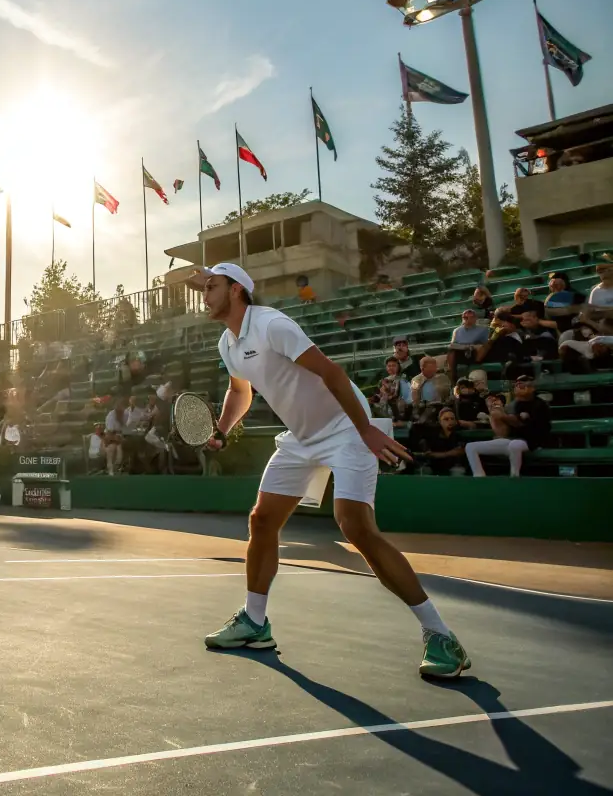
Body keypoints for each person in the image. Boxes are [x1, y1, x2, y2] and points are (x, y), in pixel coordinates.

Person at [189, 262, 470, 679]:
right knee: (262, 520)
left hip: (345, 426)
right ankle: (254, 621)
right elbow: (238, 390)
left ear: (237, 291)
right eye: (204, 286)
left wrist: (366, 431)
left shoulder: (272, 325)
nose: (204, 293)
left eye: (212, 286)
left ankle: (441, 635)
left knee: (355, 527)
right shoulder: (228, 344)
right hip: (301, 436)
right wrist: (222, 430)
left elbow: (332, 373)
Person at [446, 309, 490, 379]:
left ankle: (475, 366)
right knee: (451, 351)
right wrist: (463, 347)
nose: (467, 319)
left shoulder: (483, 329)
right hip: (460, 352)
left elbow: (486, 345)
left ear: (475, 318)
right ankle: (453, 375)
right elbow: (453, 344)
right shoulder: (457, 330)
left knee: (481, 348)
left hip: (474, 352)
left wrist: (472, 346)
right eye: (465, 317)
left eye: (470, 317)